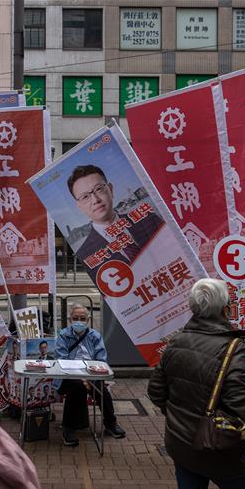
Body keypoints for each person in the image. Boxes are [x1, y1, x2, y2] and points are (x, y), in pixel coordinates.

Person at [148, 279, 245, 489]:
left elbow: (155, 392)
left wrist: (177, 415)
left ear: (193, 308)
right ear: (226, 308)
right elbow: (241, 408)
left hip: (181, 443)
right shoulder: (234, 347)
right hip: (221, 449)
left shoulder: (175, 342)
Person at [67, 164, 163, 277]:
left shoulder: (149, 218)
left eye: (98, 189)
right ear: (79, 206)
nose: (95, 200)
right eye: (85, 197)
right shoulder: (86, 254)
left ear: (110, 189)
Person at [54, 304, 126, 446]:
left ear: (88, 320)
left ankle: (111, 423)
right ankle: (69, 428)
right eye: (75, 318)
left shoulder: (95, 336)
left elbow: (101, 359)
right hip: (68, 376)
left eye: (82, 318)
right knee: (77, 387)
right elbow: (62, 360)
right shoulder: (63, 335)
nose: (79, 321)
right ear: (70, 319)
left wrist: (88, 377)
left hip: (92, 375)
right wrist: (81, 378)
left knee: (102, 390)